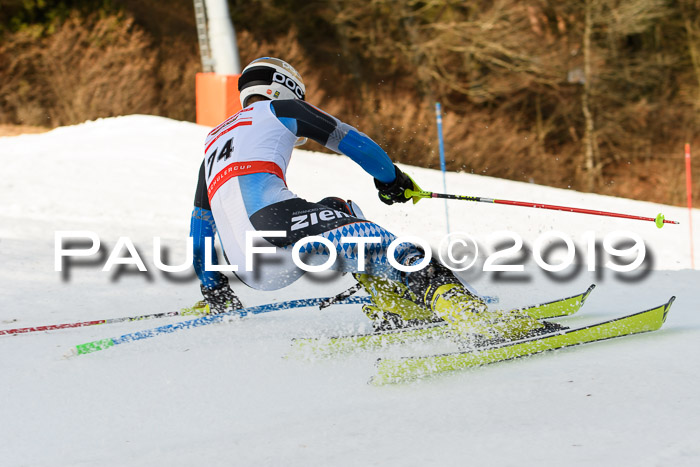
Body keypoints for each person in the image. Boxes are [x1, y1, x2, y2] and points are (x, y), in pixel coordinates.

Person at [190, 57, 545, 342]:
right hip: (274, 227)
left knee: (340, 209)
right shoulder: (280, 110)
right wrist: (391, 178)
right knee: (394, 249)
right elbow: (352, 140)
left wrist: (215, 291)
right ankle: (473, 319)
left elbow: (201, 223)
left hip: (251, 268)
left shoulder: (212, 142)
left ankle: (397, 308)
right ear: (283, 90)